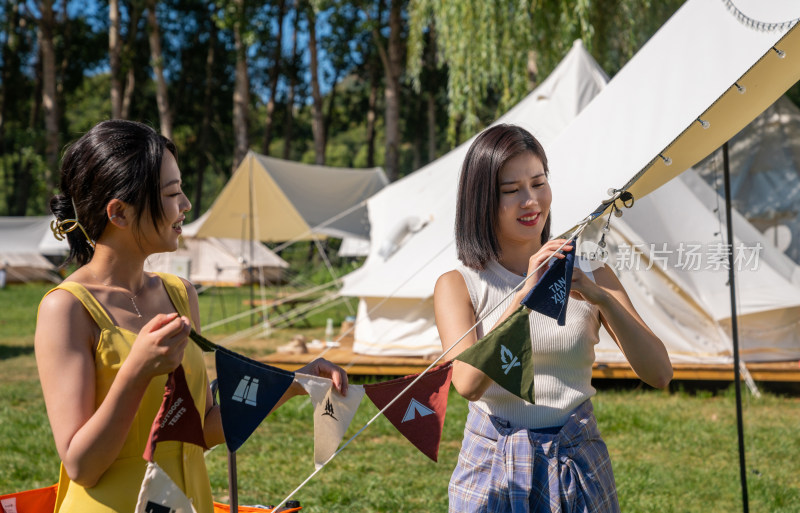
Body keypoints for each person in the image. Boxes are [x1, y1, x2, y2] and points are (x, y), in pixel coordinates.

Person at [35, 119, 349, 513]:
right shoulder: (66, 308)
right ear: (119, 212)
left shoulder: (179, 294)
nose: (185, 205)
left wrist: (291, 384)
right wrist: (136, 370)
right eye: (172, 193)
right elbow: (81, 465)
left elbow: (201, 429)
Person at [433, 124, 672, 512]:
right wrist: (525, 296)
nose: (531, 201)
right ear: (481, 200)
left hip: (576, 460)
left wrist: (602, 300)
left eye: (539, 183)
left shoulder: (591, 272)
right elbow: (467, 383)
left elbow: (660, 373)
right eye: (511, 191)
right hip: (493, 465)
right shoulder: (460, 285)